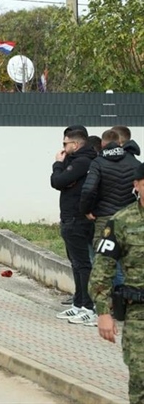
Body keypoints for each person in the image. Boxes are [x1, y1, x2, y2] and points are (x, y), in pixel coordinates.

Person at [91, 162, 144, 403]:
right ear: (137, 185)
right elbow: (103, 270)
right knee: (140, 377)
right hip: (138, 314)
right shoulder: (121, 221)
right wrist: (103, 312)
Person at [51, 127, 99, 324]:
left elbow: (57, 181)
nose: (63, 147)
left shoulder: (82, 162)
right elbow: (62, 183)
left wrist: (57, 164)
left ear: (76, 144)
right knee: (76, 263)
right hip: (72, 218)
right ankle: (78, 304)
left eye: (65, 143)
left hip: (76, 219)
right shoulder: (79, 161)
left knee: (83, 264)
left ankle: (89, 307)